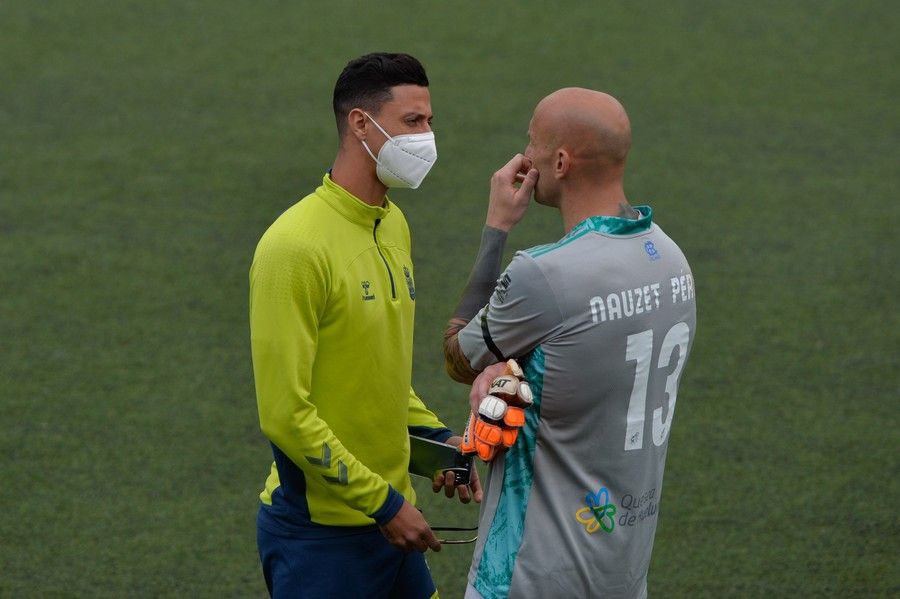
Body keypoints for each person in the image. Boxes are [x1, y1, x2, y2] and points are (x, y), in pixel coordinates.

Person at [442, 88, 697, 598]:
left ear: (559, 162)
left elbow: (458, 355)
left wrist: (496, 228)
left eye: (532, 143)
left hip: (531, 575)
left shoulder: (547, 274)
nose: (525, 155)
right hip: (622, 573)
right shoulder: (673, 262)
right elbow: (578, 360)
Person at [249, 52, 481, 599]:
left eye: (429, 122)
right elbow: (285, 413)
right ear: (361, 123)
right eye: (412, 122)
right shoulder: (294, 248)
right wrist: (382, 502)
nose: (427, 138)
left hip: (392, 524)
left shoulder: (393, 225)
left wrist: (436, 441)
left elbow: (377, 373)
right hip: (320, 540)